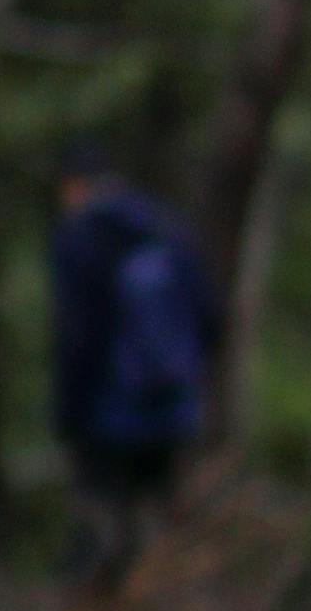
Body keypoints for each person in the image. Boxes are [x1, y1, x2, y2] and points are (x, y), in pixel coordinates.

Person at [47, 146, 220, 578]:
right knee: (161, 525)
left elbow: (80, 335)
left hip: (108, 412)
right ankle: (164, 601)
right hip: (171, 406)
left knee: (104, 525)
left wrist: (69, 412)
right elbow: (209, 318)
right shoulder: (166, 227)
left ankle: (104, 605)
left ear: (73, 186)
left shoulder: (81, 237)